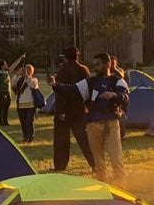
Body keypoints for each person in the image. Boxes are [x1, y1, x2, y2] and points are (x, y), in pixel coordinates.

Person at [50, 53, 130, 185]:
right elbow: (73, 90)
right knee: (98, 160)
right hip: (93, 124)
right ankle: (102, 185)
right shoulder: (90, 82)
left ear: (107, 64)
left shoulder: (118, 81)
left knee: (116, 157)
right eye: (94, 66)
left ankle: (121, 186)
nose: (95, 68)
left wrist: (114, 95)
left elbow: (126, 98)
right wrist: (56, 85)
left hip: (111, 123)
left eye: (98, 65)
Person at [52, 46, 96, 172]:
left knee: (62, 140)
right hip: (80, 109)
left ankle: (60, 165)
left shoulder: (63, 71)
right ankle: (94, 163)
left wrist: (60, 111)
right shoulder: (85, 69)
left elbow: (61, 93)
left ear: (65, 57)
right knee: (84, 139)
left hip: (66, 110)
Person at [0, 53, 25, 127]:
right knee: (1, 108)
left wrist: (20, 58)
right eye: (5, 64)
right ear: (2, 66)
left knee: (6, 107)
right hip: (1, 93)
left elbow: (14, 65)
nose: (7, 65)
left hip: (8, 93)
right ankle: (1, 122)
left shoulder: (6, 72)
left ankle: (5, 121)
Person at [13, 63, 40, 143]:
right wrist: (16, 75)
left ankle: (30, 137)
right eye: (24, 70)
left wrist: (28, 77)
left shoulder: (34, 79)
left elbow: (33, 86)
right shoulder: (20, 80)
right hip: (21, 104)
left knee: (29, 121)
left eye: (27, 70)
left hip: (31, 104)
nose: (25, 71)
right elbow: (14, 87)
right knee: (23, 122)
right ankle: (25, 137)